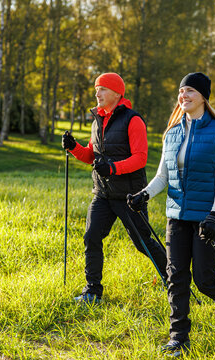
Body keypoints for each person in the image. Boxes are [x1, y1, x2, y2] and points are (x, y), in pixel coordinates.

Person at [127, 72, 215, 356]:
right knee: (176, 276)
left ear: (203, 96)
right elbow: (162, 175)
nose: (184, 96)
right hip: (177, 216)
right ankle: (178, 337)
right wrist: (144, 194)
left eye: (190, 91)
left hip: (207, 218)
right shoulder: (172, 132)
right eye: (181, 91)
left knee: (204, 279)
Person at [62, 72, 167, 304]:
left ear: (117, 93)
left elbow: (140, 158)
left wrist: (112, 168)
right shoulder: (97, 120)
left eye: (103, 89)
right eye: (96, 89)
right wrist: (73, 147)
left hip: (130, 195)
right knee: (91, 237)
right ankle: (92, 291)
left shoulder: (133, 120)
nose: (97, 93)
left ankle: (173, 279)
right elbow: (92, 155)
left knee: (143, 243)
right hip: (103, 194)